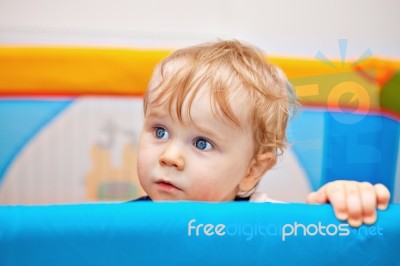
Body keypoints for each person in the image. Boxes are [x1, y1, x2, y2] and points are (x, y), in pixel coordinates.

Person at [133, 40, 390, 227]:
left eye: (202, 143)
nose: (170, 156)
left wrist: (341, 204)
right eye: (160, 131)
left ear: (251, 171)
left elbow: (318, 245)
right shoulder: (121, 225)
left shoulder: (272, 225)